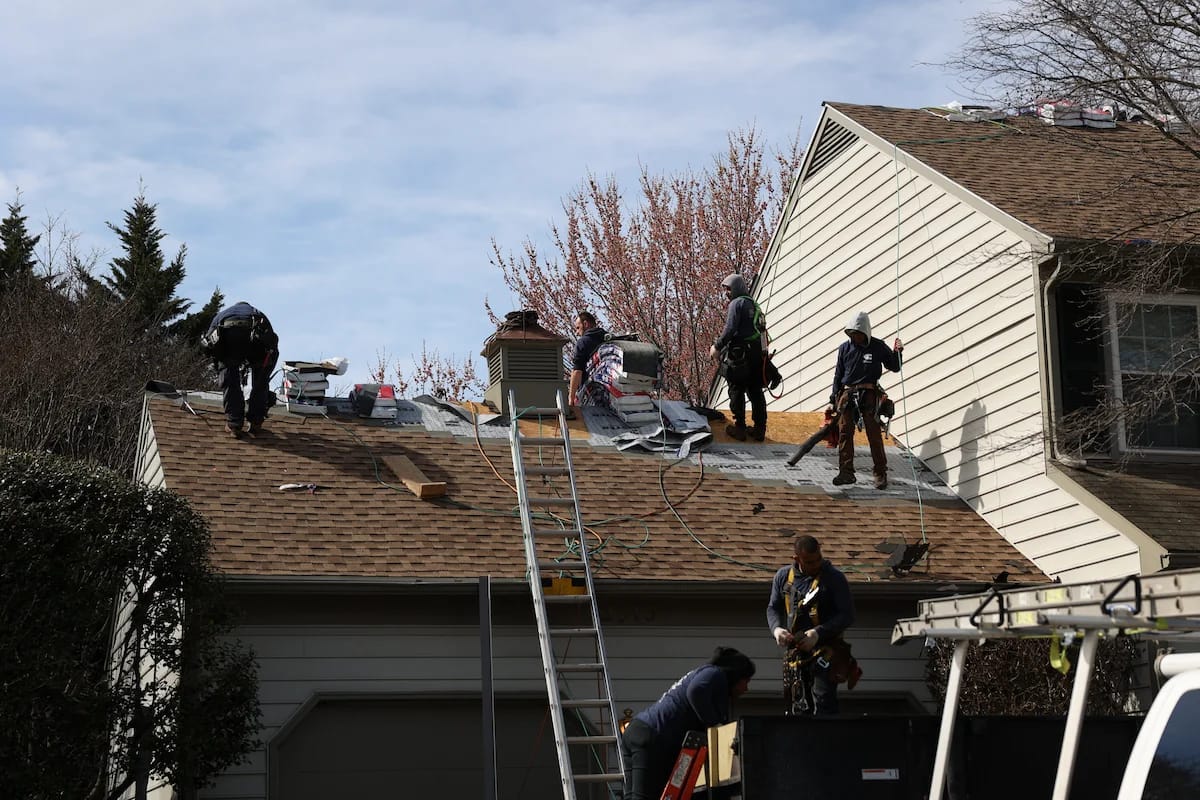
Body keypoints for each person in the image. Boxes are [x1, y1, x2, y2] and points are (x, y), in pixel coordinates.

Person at [620, 646, 756, 800]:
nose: (746, 688)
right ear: (736, 675)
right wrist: (715, 726)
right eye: (746, 681)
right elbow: (696, 691)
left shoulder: (705, 674)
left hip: (638, 730)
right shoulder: (715, 673)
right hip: (652, 735)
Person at [767, 535, 856, 716]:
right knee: (797, 703)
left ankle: (826, 739)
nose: (815, 565)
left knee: (823, 700)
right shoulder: (784, 577)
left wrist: (817, 633)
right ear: (797, 559)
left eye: (818, 560)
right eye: (809, 562)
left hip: (826, 650)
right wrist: (776, 629)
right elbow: (773, 608)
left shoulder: (834, 578)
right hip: (796, 652)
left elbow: (847, 615)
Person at [828, 311, 903, 489]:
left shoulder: (877, 346)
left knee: (874, 435)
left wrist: (898, 352)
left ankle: (880, 472)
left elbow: (894, 366)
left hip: (869, 396)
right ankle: (846, 472)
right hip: (848, 395)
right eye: (852, 334)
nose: (855, 338)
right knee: (845, 433)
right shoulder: (845, 348)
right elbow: (838, 374)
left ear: (865, 332)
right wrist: (833, 398)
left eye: (858, 334)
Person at [201, 301, 279, 438]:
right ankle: (256, 422)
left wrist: (221, 365)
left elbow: (209, 345)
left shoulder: (222, 315)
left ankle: (234, 424)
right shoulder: (258, 313)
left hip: (231, 334)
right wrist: (263, 373)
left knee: (229, 375)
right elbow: (272, 345)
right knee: (260, 379)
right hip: (257, 338)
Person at [709, 273, 767, 441]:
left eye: (728, 289)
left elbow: (730, 329)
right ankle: (759, 429)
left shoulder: (737, 303)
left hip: (740, 354)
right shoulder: (753, 304)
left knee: (736, 389)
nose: (726, 293)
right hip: (756, 354)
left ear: (736, 288)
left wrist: (717, 346)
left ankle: (740, 428)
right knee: (755, 391)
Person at [568, 310, 608, 407]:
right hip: (610, 394)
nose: (577, 333)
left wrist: (571, 397)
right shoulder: (608, 339)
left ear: (585, 324)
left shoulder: (583, 342)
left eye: (578, 328)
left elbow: (577, 371)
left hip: (592, 396)